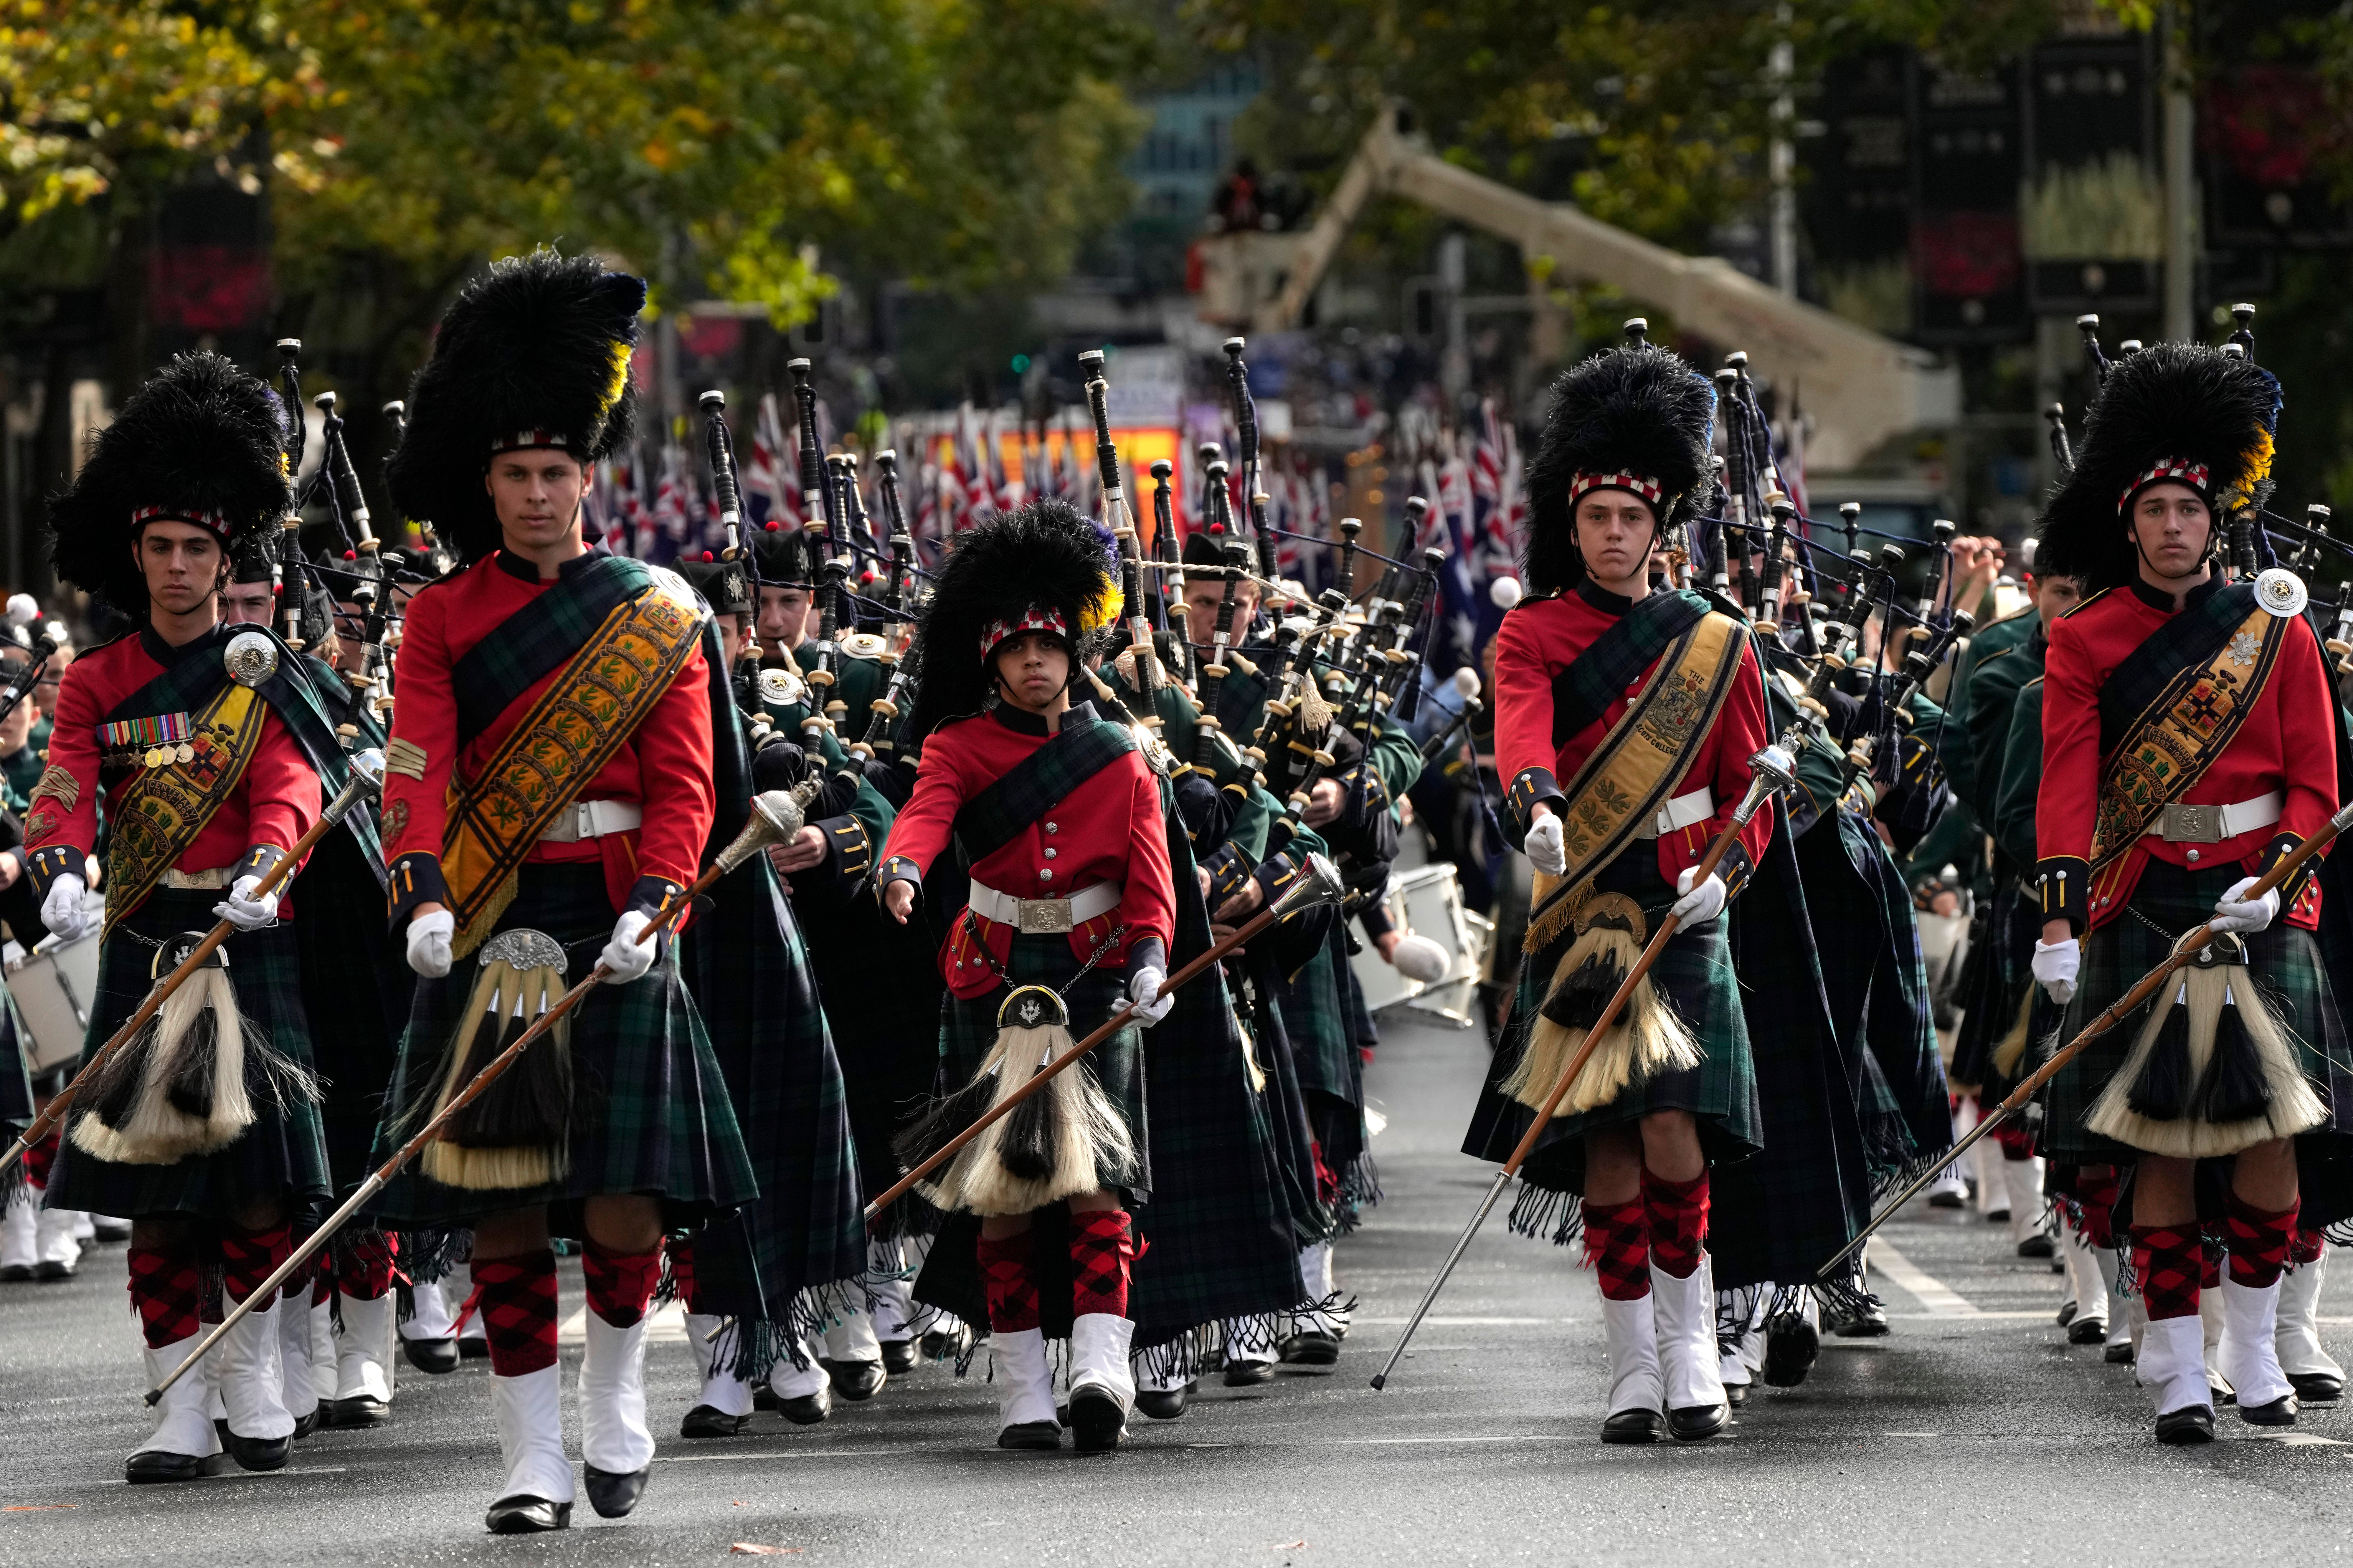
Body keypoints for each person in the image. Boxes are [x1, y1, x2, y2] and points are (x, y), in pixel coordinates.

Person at [369, 249, 752, 1531]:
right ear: (487, 482)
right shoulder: (441, 616)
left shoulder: (657, 610)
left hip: (622, 911)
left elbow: (689, 787)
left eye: (555, 474)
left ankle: (615, 1406)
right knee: (502, 1189)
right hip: (489, 911)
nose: (536, 494)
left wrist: (659, 900)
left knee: (626, 1187)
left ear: (588, 480)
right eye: (515, 475)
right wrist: (420, 889)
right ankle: (529, 1455)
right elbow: (418, 762)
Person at [881, 499, 1296, 1453]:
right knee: (1003, 1189)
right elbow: (924, 816)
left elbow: (1151, 883)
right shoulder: (956, 746)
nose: (1035, 663)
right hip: (990, 981)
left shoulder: (1121, 758)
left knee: (1099, 1182)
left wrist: (1152, 963)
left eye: (1050, 647)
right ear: (991, 659)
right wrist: (901, 868)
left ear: (1075, 655)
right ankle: (1024, 1390)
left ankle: (1102, 1368)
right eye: (1017, 650)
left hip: (1095, 975)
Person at [29, 351, 350, 1483]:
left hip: (244, 932)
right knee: (158, 1197)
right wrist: (57, 857)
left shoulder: (259, 670)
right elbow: (68, 777)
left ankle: (252, 1370)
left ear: (228, 558)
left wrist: (271, 862)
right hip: (144, 942)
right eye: (161, 548)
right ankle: (176, 1396)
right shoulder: (97, 678)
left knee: (259, 1185)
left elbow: (290, 784)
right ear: (139, 554)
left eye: (197, 550)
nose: (177, 567)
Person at [2029, 338, 2351, 1445]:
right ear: (2128, 521)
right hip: (2151, 896)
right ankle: (2171, 1362)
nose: (2173, 525)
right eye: (2155, 507)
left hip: (2256, 901)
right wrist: (2060, 917)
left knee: (2269, 1139)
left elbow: (2315, 778)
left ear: (2218, 518)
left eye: (2189, 507)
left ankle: (2252, 1350)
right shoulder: (2084, 640)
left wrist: (2280, 881)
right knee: (2159, 1141)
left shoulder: (2279, 627)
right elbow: (2066, 783)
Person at [1464, 342, 1772, 1444]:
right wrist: (1537, 805)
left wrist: (1723, 877)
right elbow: (1521, 733)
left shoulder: (1715, 641)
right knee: (1602, 1133)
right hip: (1583, 897)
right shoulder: (1531, 630)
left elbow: (1752, 793)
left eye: (1628, 519)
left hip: (1683, 902)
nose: (1610, 533)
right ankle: (1631, 1365)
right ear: (1573, 522)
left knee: (1674, 1124)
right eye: (1593, 516)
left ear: (1658, 527)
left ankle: (1693, 1348)